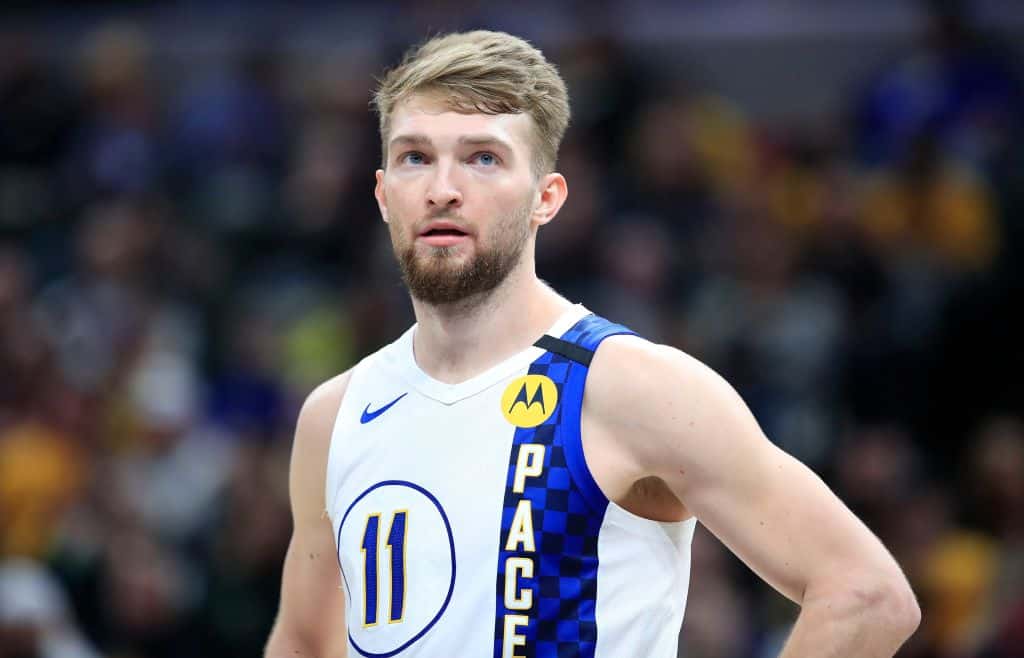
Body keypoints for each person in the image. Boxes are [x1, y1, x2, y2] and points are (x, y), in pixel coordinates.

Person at [264, 30, 920, 658]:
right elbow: (302, 644)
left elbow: (866, 595)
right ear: (383, 195)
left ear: (546, 198)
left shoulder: (629, 386)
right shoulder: (335, 415)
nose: (442, 189)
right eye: (415, 157)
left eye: (483, 158)